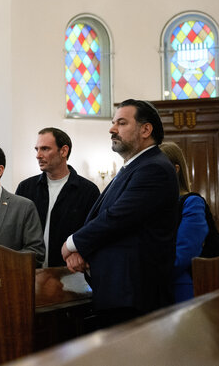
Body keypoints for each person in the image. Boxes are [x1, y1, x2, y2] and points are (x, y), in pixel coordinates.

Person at [62, 99, 178, 329]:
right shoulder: (133, 166)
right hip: (120, 291)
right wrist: (84, 252)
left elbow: (117, 218)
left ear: (146, 129)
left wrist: (73, 244)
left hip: (134, 294)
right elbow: (102, 215)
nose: (112, 129)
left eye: (121, 123)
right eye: (113, 122)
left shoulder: (153, 167)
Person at [15, 128, 100, 267]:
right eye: (37, 149)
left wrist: (80, 252)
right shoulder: (25, 188)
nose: (38, 155)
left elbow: (94, 232)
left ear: (64, 151)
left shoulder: (88, 191)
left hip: (69, 272)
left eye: (45, 149)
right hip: (30, 271)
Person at [159, 142, 208, 303]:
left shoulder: (192, 202)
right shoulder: (151, 203)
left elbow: (184, 253)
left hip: (179, 287)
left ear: (175, 169)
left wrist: (147, 275)